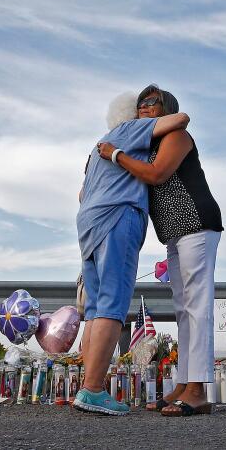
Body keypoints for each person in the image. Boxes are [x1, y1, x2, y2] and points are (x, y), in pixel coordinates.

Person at [98, 84, 223, 417]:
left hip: (197, 223)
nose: (144, 106)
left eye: (152, 102)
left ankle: (197, 391)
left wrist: (115, 154)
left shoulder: (177, 136)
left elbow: (156, 174)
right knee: (183, 308)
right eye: (140, 103)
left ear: (167, 107)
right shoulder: (147, 143)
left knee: (197, 306)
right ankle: (184, 385)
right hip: (175, 232)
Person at [72, 94, 190, 416]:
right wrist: (150, 125)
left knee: (95, 308)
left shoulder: (97, 147)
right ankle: (94, 390)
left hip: (89, 224)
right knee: (113, 303)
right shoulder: (128, 132)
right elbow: (180, 120)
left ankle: (86, 386)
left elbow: (82, 193)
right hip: (117, 218)